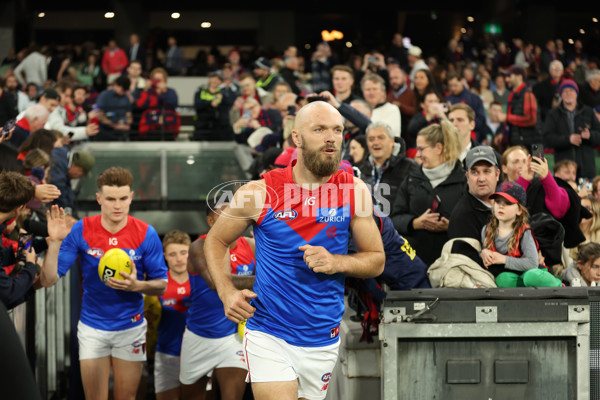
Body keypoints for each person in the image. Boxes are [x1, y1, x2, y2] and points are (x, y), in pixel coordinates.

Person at [203, 100, 385, 400]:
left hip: (323, 335)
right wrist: (226, 292)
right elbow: (215, 240)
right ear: (297, 137)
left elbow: (376, 261)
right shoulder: (259, 192)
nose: (331, 137)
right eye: (320, 129)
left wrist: (337, 261)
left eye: (337, 130)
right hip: (269, 332)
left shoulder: (355, 191)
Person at [39, 166, 168, 400]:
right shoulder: (81, 229)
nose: (117, 205)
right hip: (92, 328)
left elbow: (162, 284)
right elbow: (48, 280)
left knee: (126, 397)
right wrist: (55, 242)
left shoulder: (146, 233)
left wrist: (137, 286)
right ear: (99, 199)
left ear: (131, 197)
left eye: (122, 199)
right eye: (110, 199)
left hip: (131, 327)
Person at [180, 199, 255, 400]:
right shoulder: (198, 246)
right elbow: (217, 282)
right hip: (198, 335)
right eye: (223, 216)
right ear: (211, 221)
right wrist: (264, 281)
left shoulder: (250, 246)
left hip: (234, 337)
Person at [391, 119, 467, 266]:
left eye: (421, 149)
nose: (417, 154)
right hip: (415, 261)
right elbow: (395, 218)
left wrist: (451, 226)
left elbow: (474, 223)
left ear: (438, 148)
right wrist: (414, 223)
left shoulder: (464, 181)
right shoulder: (411, 180)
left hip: (454, 262)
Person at [480, 181, 563, 287]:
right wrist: (483, 252)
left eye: (508, 203)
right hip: (513, 276)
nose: (501, 206)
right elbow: (483, 255)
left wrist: (503, 259)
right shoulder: (486, 229)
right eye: (498, 201)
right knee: (502, 279)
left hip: (532, 273)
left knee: (530, 277)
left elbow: (532, 263)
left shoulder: (524, 232)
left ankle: (560, 285)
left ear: (519, 210)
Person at [153, 230, 191, 400]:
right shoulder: (157, 285)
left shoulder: (204, 281)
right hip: (166, 354)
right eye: (173, 254)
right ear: (165, 256)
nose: (179, 259)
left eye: (184, 253)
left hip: (198, 353)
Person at [448, 145, 501, 267]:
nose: (481, 178)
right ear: (467, 177)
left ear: (497, 174)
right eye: (475, 172)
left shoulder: (509, 203)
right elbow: (467, 264)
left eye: (487, 171)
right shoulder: (462, 215)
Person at [542, 79, 600, 180]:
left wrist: (590, 135)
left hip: (587, 169)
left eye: (571, 90)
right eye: (565, 91)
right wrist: (568, 139)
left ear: (576, 94)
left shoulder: (588, 111)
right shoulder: (553, 114)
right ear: (561, 95)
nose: (568, 93)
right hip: (563, 169)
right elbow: (547, 138)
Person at [358, 121, 418, 214]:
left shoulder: (409, 167)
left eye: (381, 138)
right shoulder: (361, 170)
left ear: (392, 141)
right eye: (371, 139)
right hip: (368, 225)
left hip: (396, 226)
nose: (376, 142)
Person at [494, 65, 540, 151]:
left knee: (537, 165)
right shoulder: (513, 95)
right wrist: (504, 135)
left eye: (509, 76)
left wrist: (506, 117)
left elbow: (531, 120)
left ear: (519, 77)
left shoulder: (527, 94)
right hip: (520, 143)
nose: (506, 80)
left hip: (532, 146)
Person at [135, 67, 179, 139]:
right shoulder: (148, 92)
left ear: (165, 80)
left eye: (160, 79)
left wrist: (164, 91)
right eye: (155, 79)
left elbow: (173, 104)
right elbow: (140, 105)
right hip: (149, 127)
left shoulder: (170, 91)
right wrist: (145, 90)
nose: (157, 82)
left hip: (167, 127)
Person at [49, 148, 95, 218]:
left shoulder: (64, 157)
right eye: (82, 174)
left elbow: (68, 190)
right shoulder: (58, 165)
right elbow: (59, 191)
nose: (79, 177)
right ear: (78, 168)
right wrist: (68, 214)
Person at [445, 71, 488, 143]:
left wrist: (466, 126)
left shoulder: (474, 98)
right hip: (452, 137)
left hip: (471, 136)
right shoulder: (447, 99)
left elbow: (481, 119)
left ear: (462, 81)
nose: (453, 88)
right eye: (450, 86)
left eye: (455, 85)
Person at [193, 70, 235, 141]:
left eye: (218, 79)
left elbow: (231, 103)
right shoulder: (201, 90)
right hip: (202, 127)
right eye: (213, 78)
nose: (215, 81)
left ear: (221, 82)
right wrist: (210, 103)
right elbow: (197, 104)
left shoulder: (225, 92)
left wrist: (223, 97)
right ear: (210, 79)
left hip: (220, 128)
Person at [361, 74, 401, 138]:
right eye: (368, 89)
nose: (371, 93)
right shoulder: (360, 110)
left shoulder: (392, 109)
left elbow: (383, 132)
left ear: (383, 92)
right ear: (363, 92)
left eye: (375, 89)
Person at [94, 75, 133, 141]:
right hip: (105, 129)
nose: (123, 92)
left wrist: (127, 123)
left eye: (125, 90)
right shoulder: (104, 95)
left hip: (121, 130)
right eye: (122, 89)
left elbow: (129, 114)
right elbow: (99, 113)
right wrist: (114, 125)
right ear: (116, 85)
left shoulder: (126, 97)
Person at [387, 66, 417, 141]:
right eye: (391, 79)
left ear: (404, 78)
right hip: (393, 136)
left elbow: (416, 111)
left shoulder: (412, 94)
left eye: (396, 78)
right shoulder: (388, 96)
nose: (394, 81)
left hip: (410, 137)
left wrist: (400, 106)